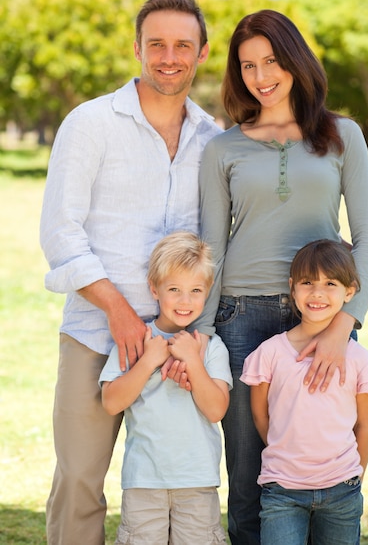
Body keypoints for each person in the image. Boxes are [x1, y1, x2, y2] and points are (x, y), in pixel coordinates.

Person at [39, 0, 222, 545]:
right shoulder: (91, 123)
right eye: (157, 44)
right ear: (137, 48)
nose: (169, 57)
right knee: (80, 480)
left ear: (202, 52)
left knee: (179, 487)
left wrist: (196, 336)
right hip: (99, 331)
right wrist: (119, 310)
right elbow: (60, 233)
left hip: (181, 342)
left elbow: (215, 240)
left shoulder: (213, 139)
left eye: (182, 45)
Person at [196, 9, 368, 544]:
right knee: (250, 473)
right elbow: (212, 246)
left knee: (324, 457)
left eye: (272, 60)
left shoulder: (342, 134)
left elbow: (367, 238)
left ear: (295, 60)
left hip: (321, 314)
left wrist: (346, 322)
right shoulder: (222, 148)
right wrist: (202, 333)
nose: (261, 75)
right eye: (248, 65)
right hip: (240, 317)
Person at [240, 239, 368, 545]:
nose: (317, 293)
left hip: (342, 491)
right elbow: (260, 414)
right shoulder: (269, 354)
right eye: (308, 282)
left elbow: (364, 426)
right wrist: (287, 451)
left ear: (350, 291)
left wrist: (355, 476)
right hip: (282, 490)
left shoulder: (360, 360)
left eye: (330, 283)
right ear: (292, 287)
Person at [99, 231, 232, 544]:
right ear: (154, 288)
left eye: (195, 290)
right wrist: (147, 362)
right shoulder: (136, 340)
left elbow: (216, 409)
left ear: (207, 291)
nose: (185, 301)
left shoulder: (211, 348)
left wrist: (193, 361)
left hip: (197, 482)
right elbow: (111, 402)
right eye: (174, 289)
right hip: (144, 481)